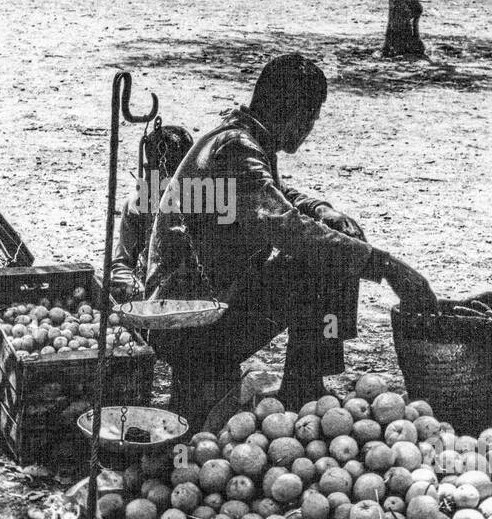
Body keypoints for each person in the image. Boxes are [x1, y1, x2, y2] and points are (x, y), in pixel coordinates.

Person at [144, 54, 437, 424]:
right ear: (294, 112)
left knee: (338, 242)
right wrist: (387, 267)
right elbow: (288, 228)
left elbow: (273, 194)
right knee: (327, 258)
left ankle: (307, 379)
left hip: (191, 310)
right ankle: (304, 384)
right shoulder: (237, 147)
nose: (311, 127)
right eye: (312, 117)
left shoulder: (238, 136)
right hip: (189, 326)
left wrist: (322, 210)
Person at [109, 123, 194, 301]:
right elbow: (122, 264)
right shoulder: (137, 206)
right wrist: (135, 289)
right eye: (155, 173)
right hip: (149, 295)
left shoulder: (202, 204)